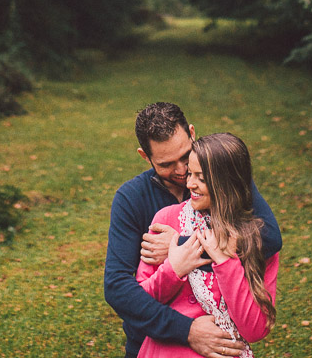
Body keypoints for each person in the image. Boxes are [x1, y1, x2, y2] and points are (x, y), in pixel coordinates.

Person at [104, 103, 281, 358]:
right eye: (166, 164)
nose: (182, 172)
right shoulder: (131, 199)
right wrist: (186, 330)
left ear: (192, 134)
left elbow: (269, 238)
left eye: (185, 156)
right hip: (154, 340)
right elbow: (118, 288)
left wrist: (182, 244)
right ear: (145, 156)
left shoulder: (221, 176)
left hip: (222, 341)